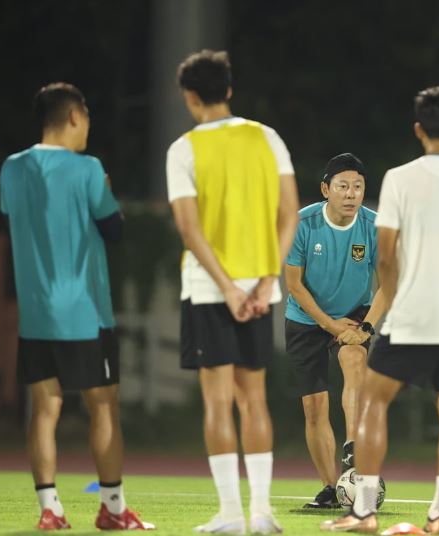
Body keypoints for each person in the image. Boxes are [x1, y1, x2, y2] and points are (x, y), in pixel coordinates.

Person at [320, 86, 439, 534]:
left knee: (373, 408)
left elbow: (386, 258)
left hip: (412, 314)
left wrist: (396, 303)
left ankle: (364, 512)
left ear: (419, 129)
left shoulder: (400, 178)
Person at [0, 83, 152, 531]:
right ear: (73, 117)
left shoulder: (11, 168)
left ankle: (50, 509)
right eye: (85, 119)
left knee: (44, 407)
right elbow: (114, 228)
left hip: (36, 312)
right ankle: (113, 508)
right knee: (104, 406)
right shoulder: (88, 168)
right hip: (85, 311)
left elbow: (16, 223)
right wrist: (104, 189)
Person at [166, 49, 299, 534]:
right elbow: (290, 213)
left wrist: (224, 286)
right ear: (229, 89)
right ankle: (262, 513)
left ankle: (230, 515)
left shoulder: (183, 148)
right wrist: (266, 280)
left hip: (209, 290)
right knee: (254, 400)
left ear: (189, 96)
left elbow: (188, 227)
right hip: (261, 290)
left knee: (218, 402)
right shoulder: (267, 137)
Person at [284, 152, 388, 509]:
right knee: (314, 407)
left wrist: (366, 327)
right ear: (326, 189)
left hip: (356, 313)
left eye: (358, 187)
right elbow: (294, 285)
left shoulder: (374, 226)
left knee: (355, 362)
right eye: (343, 186)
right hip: (306, 317)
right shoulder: (302, 223)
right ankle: (332, 487)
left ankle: (354, 446)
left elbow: (388, 282)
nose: (351, 193)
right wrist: (330, 326)